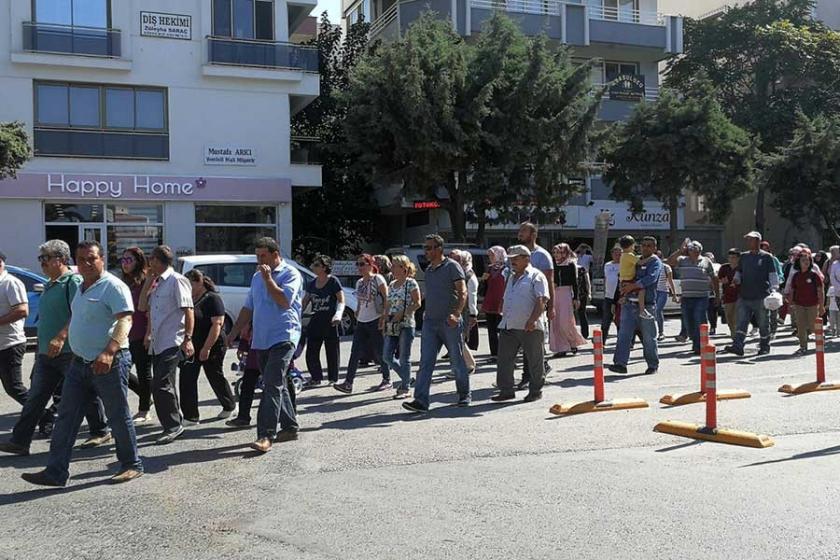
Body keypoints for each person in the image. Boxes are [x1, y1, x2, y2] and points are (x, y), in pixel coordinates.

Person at [20, 240, 143, 486]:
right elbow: (77, 317)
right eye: (82, 259)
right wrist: (63, 336)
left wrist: (109, 351)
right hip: (80, 363)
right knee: (66, 417)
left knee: (117, 415)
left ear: (102, 259)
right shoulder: (82, 287)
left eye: (92, 258)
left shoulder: (113, 286)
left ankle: (131, 464)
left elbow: (125, 320)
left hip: (109, 362)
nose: (87, 263)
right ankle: (56, 472)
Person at [0, 240, 109, 457]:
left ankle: (100, 430)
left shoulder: (72, 281)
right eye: (41, 259)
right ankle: (20, 441)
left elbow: (77, 312)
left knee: (83, 393)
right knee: (36, 397)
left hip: (68, 351)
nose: (42, 263)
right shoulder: (51, 283)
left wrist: (61, 336)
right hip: (45, 352)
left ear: (60, 259)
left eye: (45, 258)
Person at [227, 237, 303, 453]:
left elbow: (284, 301)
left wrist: (269, 279)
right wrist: (233, 332)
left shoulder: (291, 274)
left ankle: (265, 435)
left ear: (275, 254)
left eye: (263, 256)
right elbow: (248, 307)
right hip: (261, 338)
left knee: (271, 384)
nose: (259, 260)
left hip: (284, 336)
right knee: (277, 383)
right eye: (257, 256)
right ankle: (289, 426)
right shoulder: (256, 277)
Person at [402, 234, 470, 413]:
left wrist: (456, 314)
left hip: (450, 322)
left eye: (429, 248)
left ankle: (464, 395)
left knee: (456, 361)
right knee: (426, 362)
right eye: (425, 248)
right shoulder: (430, 270)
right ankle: (421, 401)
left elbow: (462, 292)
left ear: (439, 249)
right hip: (430, 323)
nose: (426, 251)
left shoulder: (452, 266)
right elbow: (433, 293)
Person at [139, 245, 194, 445]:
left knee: (160, 383)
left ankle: (172, 426)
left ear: (157, 260)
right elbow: (143, 307)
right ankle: (173, 422)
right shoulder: (157, 283)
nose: (148, 263)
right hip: (157, 341)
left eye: (151, 259)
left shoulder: (177, 281)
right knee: (165, 384)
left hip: (173, 340)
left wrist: (188, 338)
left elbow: (188, 311)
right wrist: (147, 281)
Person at [490, 245, 549, 403]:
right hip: (509, 324)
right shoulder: (511, 276)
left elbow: (541, 300)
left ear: (527, 258)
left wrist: (533, 319)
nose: (512, 261)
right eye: (510, 259)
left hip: (529, 326)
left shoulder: (536, 276)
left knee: (534, 359)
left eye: (516, 258)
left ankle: (536, 390)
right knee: (504, 359)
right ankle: (506, 390)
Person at [179, 269, 236, 422]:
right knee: (187, 377)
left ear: (199, 282)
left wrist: (207, 348)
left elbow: (217, 324)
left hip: (212, 343)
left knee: (214, 375)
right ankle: (191, 415)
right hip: (192, 344)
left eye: (189, 284)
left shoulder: (212, 299)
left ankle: (229, 404)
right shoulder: (189, 299)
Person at [333, 254, 389, 394]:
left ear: (370, 265)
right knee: (355, 352)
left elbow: (387, 298)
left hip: (375, 319)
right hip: (362, 320)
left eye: (362, 264)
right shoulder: (359, 282)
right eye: (357, 264)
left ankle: (388, 379)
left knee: (380, 351)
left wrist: (384, 317)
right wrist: (357, 312)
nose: (359, 267)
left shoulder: (378, 279)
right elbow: (359, 300)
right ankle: (348, 383)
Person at [609, 236, 662, 375]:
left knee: (649, 337)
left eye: (649, 246)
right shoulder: (634, 258)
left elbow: (651, 278)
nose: (645, 248)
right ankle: (620, 364)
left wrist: (633, 285)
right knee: (623, 335)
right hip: (629, 303)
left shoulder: (654, 261)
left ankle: (652, 365)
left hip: (647, 305)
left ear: (654, 248)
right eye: (643, 245)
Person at [723, 231, 779, 357]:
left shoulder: (767, 257)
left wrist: (774, 289)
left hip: (761, 296)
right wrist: (736, 279)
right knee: (741, 322)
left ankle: (764, 346)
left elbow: (772, 275)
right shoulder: (744, 256)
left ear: (758, 241)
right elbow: (739, 271)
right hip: (744, 295)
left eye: (750, 239)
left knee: (763, 323)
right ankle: (738, 346)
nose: (748, 242)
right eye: (747, 239)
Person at [516, 222, 555, 380]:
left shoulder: (542, 255)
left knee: (531, 341)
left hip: (536, 307)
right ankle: (541, 366)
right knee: (525, 343)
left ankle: (529, 377)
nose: (520, 234)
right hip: (519, 306)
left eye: (523, 231)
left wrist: (551, 307)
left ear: (533, 235)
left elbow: (549, 282)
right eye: (519, 231)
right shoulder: (515, 254)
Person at [120, 247, 153, 424]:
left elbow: (150, 310)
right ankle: (148, 395)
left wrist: (149, 333)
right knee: (120, 370)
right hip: (125, 333)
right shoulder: (124, 282)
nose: (125, 264)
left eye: (129, 260)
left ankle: (144, 409)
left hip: (142, 333)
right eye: (123, 260)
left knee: (143, 371)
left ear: (138, 261)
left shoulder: (146, 281)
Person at [667, 240, 718, 355]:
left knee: (699, 320)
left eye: (695, 250)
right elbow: (669, 261)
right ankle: (696, 343)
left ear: (700, 250)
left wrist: (717, 295)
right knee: (689, 323)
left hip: (701, 297)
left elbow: (714, 277)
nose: (693, 252)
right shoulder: (682, 260)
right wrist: (680, 251)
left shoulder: (706, 261)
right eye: (690, 250)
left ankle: (700, 346)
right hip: (687, 297)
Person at [381, 255, 421, 399]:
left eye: (394, 265)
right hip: (392, 323)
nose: (391, 268)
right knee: (386, 356)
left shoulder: (411, 283)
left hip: (406, 324)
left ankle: (405, 388)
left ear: (403, 268)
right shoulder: (392, 284)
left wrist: (402, 313)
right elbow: (388, 304)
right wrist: (384, 319)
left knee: (405, 357)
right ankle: (407, 378)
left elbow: (417, 303)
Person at [302, 255, 344, 387]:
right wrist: (296, 315)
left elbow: (342, 300)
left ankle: (333, 378)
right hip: (316, 321)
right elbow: (304, 302)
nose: (313, 267)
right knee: (311, 352)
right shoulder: (311, 284)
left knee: (332, 351)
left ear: (324, 267)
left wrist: (338, 314)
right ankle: (316, 377)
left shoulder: (333, 281)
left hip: (331, 321)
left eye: (316, 265)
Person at [0, 250, 29, 406]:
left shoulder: (10, 282)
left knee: (14, 388)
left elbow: (22, 311)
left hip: (10, 344)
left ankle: (44, 417)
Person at [784, 248, 825, 356]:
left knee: (813, 326)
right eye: (803, 260)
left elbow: (820, 291)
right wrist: (790, 304)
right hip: (799, 304)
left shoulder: (814, 275)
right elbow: (792, 290)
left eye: (807, 260)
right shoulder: (796, 276)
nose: (806, 262)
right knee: (800, 326)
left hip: (812, 304)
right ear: (799, 262)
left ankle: (820, 341)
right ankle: (803, 347)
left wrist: (821, 306)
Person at [549, 243, 585, 357]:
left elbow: (574, 282)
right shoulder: (553, 264)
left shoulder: (570, 264)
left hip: (565, 293)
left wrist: (576, 298)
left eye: (558, 252)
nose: (556, 255)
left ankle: (572, 342)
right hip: (554, 293)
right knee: (555, 321)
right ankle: (561, 348)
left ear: (565, 252)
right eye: (554, 252)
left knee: (565, 321)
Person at [225, 322, 260, 427]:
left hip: (274, 353)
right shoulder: (254, 309)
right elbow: (246, 329)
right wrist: (242, 346)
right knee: (246, 387)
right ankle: (243, 417)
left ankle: (289, 415)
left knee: (279, 386)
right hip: (254, 357)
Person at [449, 249, 478, 375]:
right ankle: (465, 365)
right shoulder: (459, 274)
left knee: (458, 339)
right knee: (456, 339)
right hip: (457, 310)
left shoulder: (470, 277)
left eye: (457, 259)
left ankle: (468, 365)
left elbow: (472, 297)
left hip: (465, 311)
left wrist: (473, 315)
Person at [481, 246, 507, 358]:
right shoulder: (489, 269)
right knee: (491, 330)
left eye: (492, 255)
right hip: (490, 301)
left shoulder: (506, 269)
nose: (490, 258)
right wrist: (484, 280)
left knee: (502, 330)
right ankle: (494, 354)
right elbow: (485, 285)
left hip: (502, 302)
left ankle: (503, 353)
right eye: (489, 256)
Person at [618, 235, 652, 320]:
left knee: (627, 294)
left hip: (624, 279)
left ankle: (624, 298)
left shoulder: (624, 255)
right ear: (631, 245)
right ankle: (642, 310)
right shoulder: (629, 255)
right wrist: (651, 258)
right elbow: (640, 262)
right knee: (641, 289)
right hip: (629, 279)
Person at [717, 249, 741, 339]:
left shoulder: (741, 268)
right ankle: (733, 332)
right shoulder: (724, 267)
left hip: (740, 296)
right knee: (729, 317)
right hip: (727, 296)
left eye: (734, 257)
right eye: (730, 257)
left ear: (738, 258)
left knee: (736, 317)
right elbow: (718, 279)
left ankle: (736, 336)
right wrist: (722, 281)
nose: (731, 259)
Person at [654, 252, 677, 341]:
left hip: (663, 291)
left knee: (658, 310)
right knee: (652, 312)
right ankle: (653, 332)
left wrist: (674, 294)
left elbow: (670, 281)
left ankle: (661, 332)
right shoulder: (651, 266)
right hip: (653, 291)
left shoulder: (666, 267)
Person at [601, 246, 622, 339]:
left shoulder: (624, 265)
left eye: (619, 254)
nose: (617, 256)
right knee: (606, 320)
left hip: (620, 296)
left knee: (620, 321)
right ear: (612, 254)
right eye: (615, 254)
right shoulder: (607, 265)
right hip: (608, 296)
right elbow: (606, 279)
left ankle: (623, 342)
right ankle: (602, 341)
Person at [576, 261, 591, 339]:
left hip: (582, 294)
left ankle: (585, 334)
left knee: (582, 313)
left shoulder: (582, 269)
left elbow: (587, 281)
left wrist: (589, 293)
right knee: (572, 315)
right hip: (571, 295)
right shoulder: (567, 268)